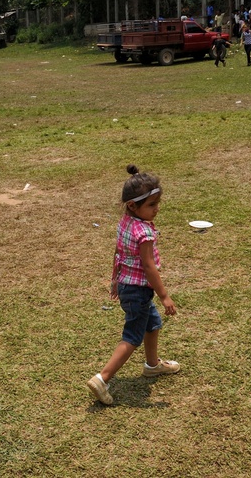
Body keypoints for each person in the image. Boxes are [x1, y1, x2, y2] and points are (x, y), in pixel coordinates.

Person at [87, 165, 179, 406]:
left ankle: (152, 365)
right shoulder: (144, 233)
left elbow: (119, 253)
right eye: (151, 205)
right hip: (139, 290)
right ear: (132, 206)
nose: (156, 209)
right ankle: (102, 378)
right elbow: (149, 267)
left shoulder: (126, 223)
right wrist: (165, 296)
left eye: (158, 203)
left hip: (129, 287)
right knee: (132, 337)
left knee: (153, 323)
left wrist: (115, 281)